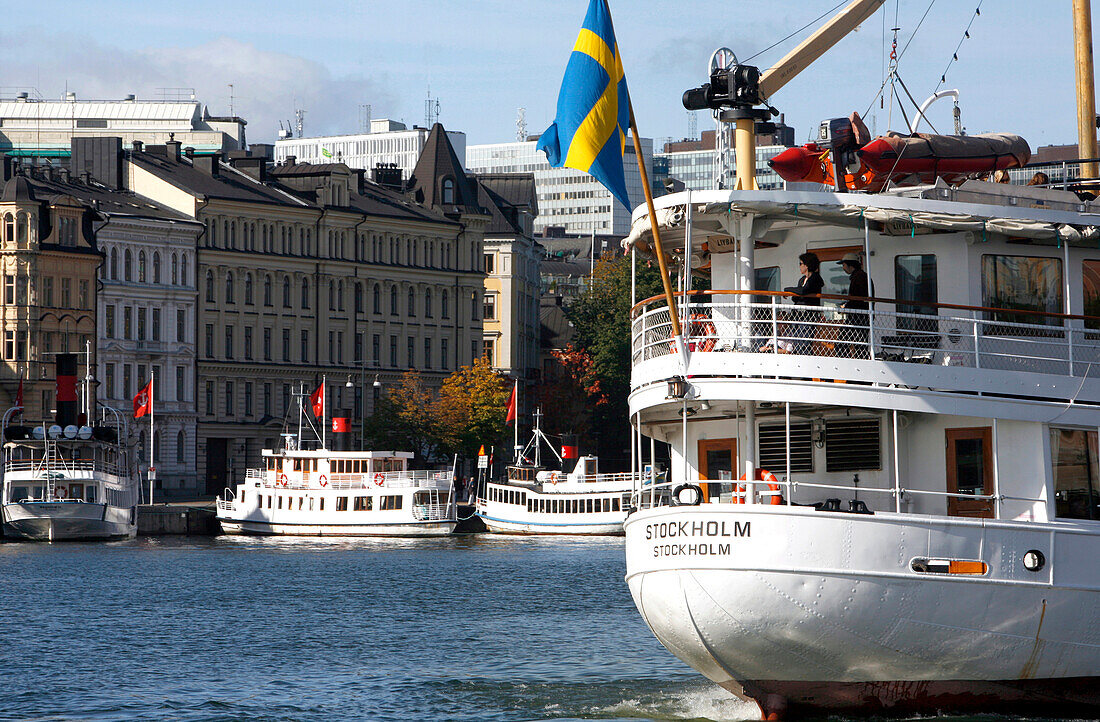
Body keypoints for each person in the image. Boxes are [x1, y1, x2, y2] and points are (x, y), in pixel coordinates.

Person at [784, 252, 824, 353]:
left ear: (807, 265)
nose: (799, 266)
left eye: (800, 263)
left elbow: (803, 291)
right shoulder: (802, 280)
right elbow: (796, 297)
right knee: (796, 342)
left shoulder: (815, 278)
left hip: (808, 315)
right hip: (797, 315)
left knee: (804, 343)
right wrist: (796, 293)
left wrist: (787, 289)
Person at [837, 252, 872, 358]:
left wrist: (845, 307)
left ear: (850, 265)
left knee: (842, 344)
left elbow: (858, 299)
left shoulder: (858, 277)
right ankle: (857, 366)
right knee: (859, 346)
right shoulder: (861, 276)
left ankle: (847, 365)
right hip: (861, 317)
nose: (843, 268)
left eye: (844, 265)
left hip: (857, 318)